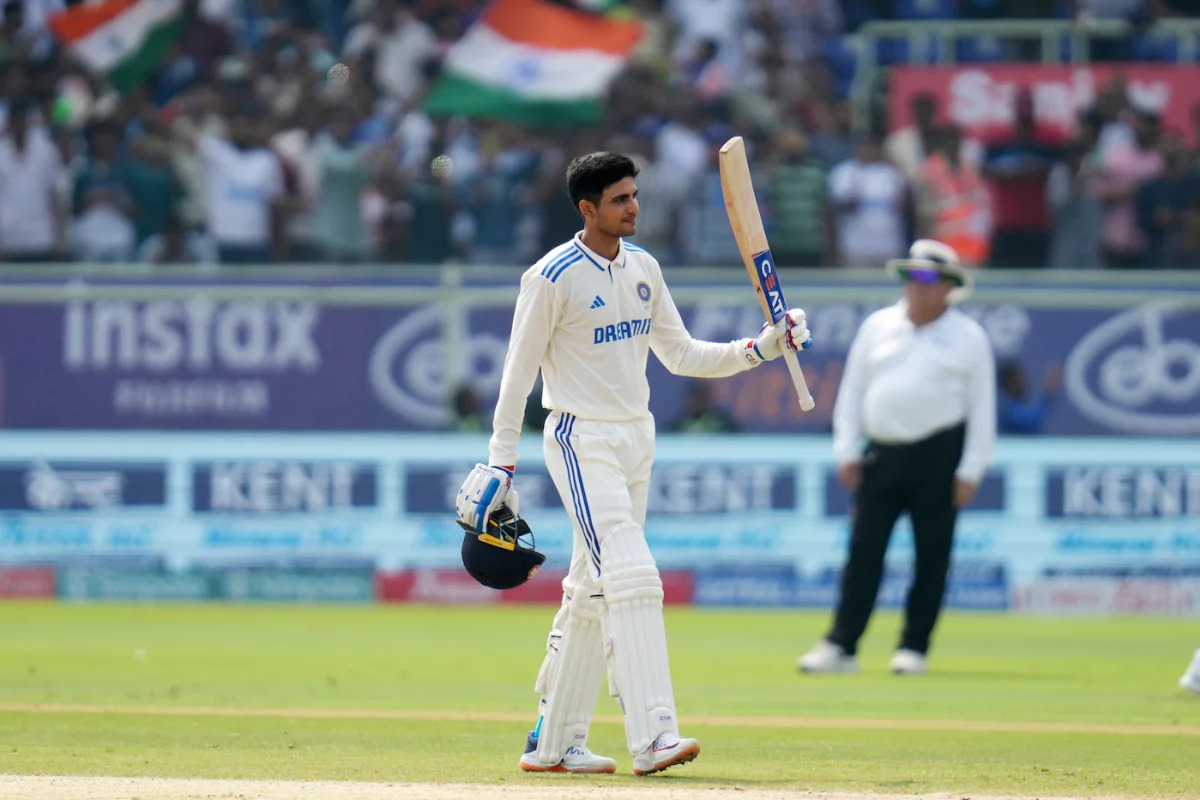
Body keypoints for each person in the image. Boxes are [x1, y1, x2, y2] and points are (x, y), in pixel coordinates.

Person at [455, 152, 811, 775]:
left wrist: (763, 346)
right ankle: (654, 737)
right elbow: (517, 375)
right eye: (620, 199)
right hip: (578, 438)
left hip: (635, 440)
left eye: (634, 195)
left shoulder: (645, 267)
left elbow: (680, 354)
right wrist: (500, 461)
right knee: (633, 575)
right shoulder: (550, 276)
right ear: (587, 208)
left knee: (592, 590)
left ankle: (553, 743)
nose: (634, 207)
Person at [798, 239, 996, 676]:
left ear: (948, 285)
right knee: (864, 550)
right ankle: (842, 645)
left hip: (940, 455)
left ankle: (914, 647)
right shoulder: (878, 325)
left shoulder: (969, 336)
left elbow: (983, 409)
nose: (917, 287)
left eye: (927, 278)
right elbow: (853, 390)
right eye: (910, 276)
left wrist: (971, 468)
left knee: (932, 554)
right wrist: (847, 448)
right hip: (881, 454)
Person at [997, 361, 1060, 435]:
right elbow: (1034, 419)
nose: (1025, 382)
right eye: (1020, 378)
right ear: (1011, 382)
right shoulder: (1009, 412)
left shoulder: (1023, 407)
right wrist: (1048, 393)